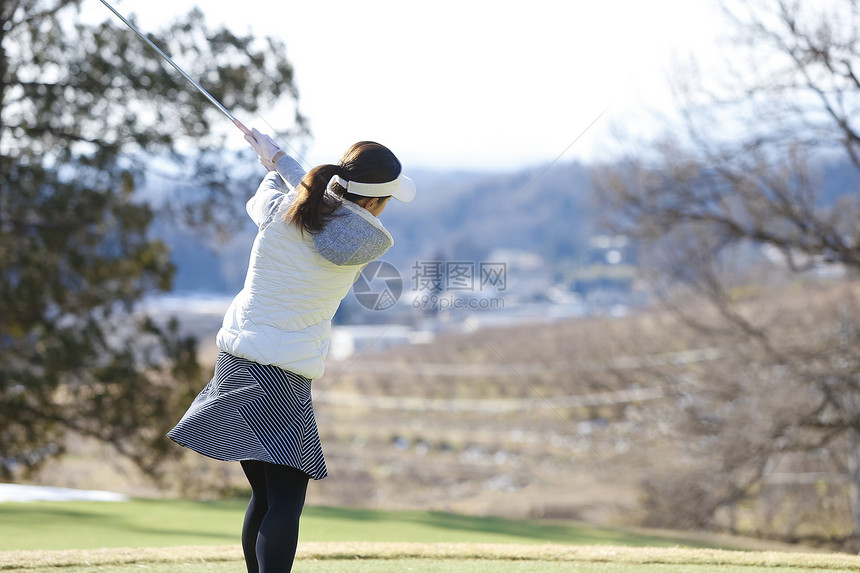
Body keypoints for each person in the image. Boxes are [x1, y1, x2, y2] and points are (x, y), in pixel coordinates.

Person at [167, 129, 415, 573]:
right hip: (283, 375)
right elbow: (326, 204)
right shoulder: (367, 239)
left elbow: (287, 196)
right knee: (285, 500)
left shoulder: (280, 208)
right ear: (376, 203)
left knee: (264, 495)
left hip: (236, 361)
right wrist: (280, 161)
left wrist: (276, 164)